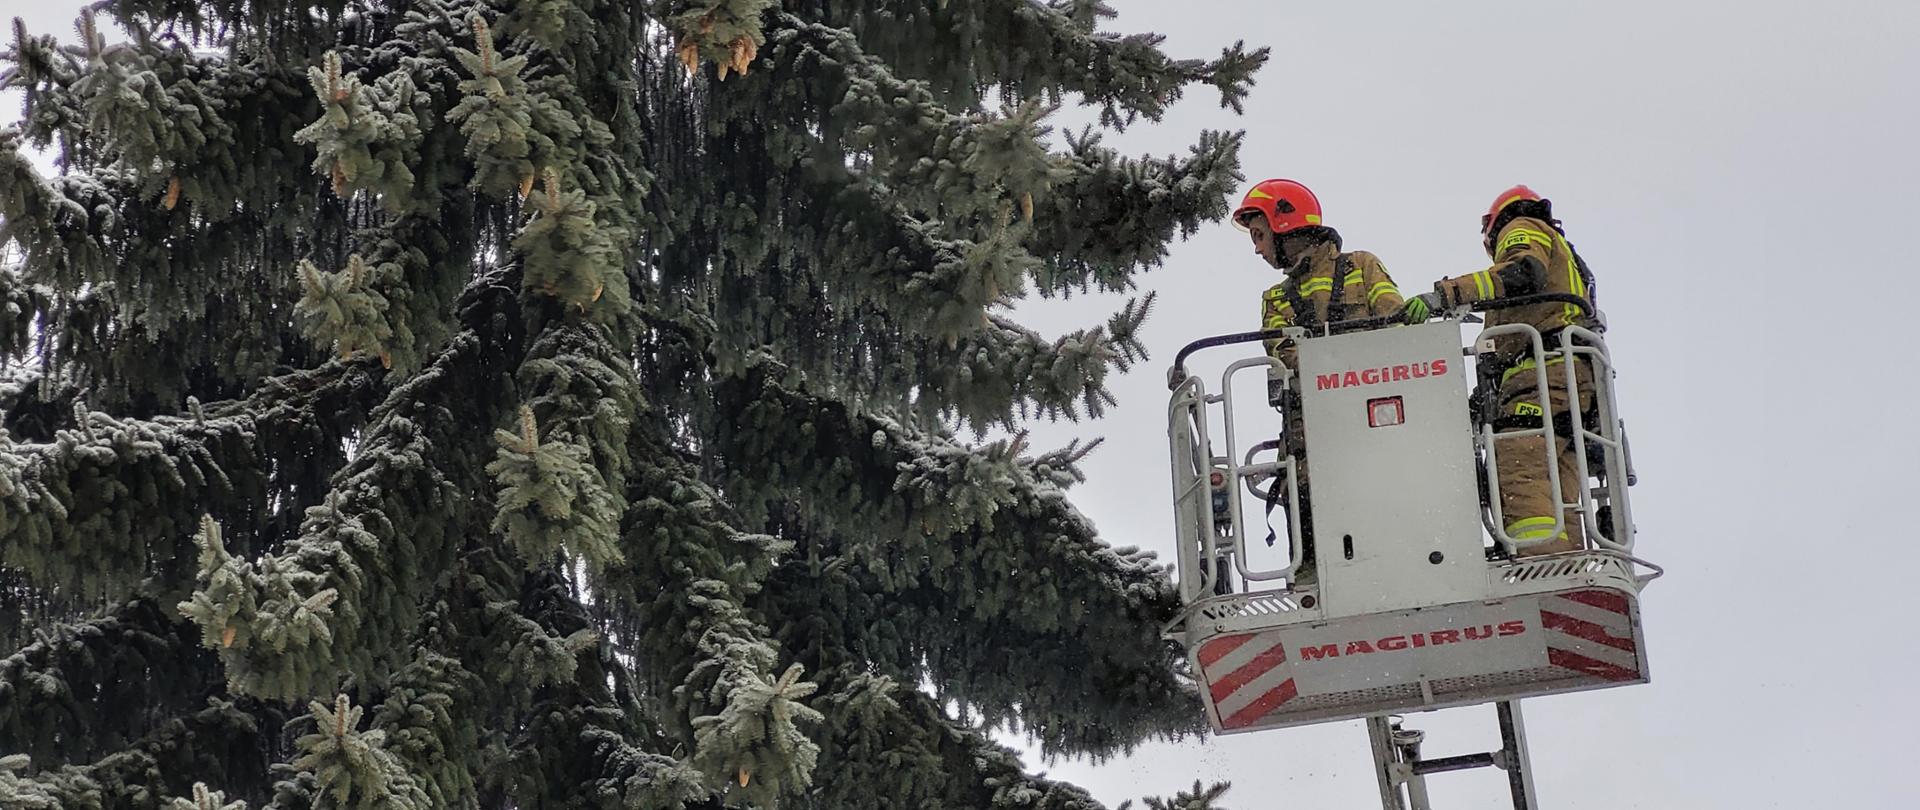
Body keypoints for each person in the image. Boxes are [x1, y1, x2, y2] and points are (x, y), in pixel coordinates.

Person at [1403, 185, 1600, 554]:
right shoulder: (1564, 258)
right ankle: (1566, 568)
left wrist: (1446, 295)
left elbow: (1524, 273)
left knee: (1518, 471)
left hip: (1541, 377)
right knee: (1557, 488)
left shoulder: (1520, 226)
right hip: (1564, 381)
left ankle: (1540, 569)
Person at [1232, 178, 1406, 579]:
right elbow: (1286, 356)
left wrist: (1341, 368)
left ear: (1285, 225)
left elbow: (1398, 329)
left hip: (1383, 442)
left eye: (1259, 235)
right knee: (1317, 573)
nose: (1257, 248)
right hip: (1311, 455)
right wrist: (1354, 362)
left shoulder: (1362, 266)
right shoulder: (1274, 300)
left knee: (1394, 549)